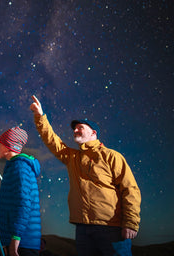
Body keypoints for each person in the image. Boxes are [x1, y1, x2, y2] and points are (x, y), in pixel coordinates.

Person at [29, 95, 141, 256]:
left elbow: (130, 189)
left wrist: (130, 222)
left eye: (80, 127)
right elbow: (52, 140)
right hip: (83, 229)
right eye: (74, 129)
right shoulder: (73, 157)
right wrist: (40, 116)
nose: (75, 130)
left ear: (93, 132)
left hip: (111, 228)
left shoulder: (112, 156)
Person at [0, 126, 42, 256]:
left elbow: (23, 204)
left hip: (22, 242)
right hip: (18, 240)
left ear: (8, 147)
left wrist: (15, 241)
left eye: (0, 144)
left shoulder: (19, 166)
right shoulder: (14, 165)